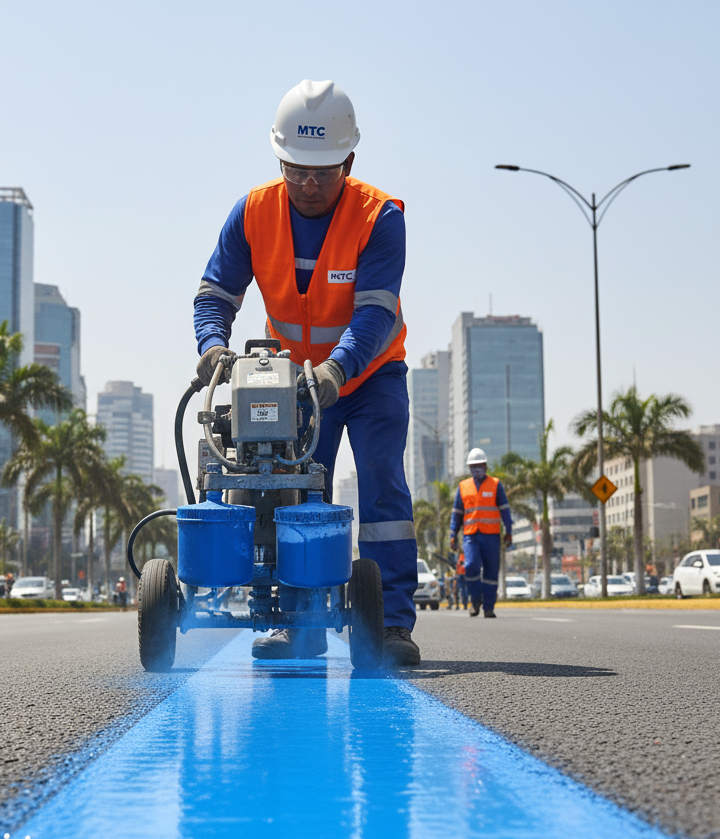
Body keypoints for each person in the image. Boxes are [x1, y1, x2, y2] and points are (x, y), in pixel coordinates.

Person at [193, 79, 419, 667]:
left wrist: (336, 371)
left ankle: (391, 624)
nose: (309, 185)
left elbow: (373, 315)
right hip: (294, 383)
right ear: (280, 159)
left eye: (323, 171)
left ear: (349, 160)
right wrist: (215, 347)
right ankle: (302, 623)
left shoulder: (380, 217)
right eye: (296, 170)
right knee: (288, 492)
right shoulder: (253, 212)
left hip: (370, 377)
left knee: (380, 478)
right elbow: (214, 294)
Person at [449, 449, 512, 618]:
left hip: (491, 535)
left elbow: (504, 509)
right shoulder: (463, 487)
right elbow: (457, 513)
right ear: (469, 468)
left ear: (485, 466)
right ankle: (475, 600)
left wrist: (509, 530)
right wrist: (453, 534)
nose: (476, 469)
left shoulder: (495, 485)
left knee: (491, 572)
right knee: (470, 566)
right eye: (473, 467)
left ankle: (489, 607)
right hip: (471, 536)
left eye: (479, 466)